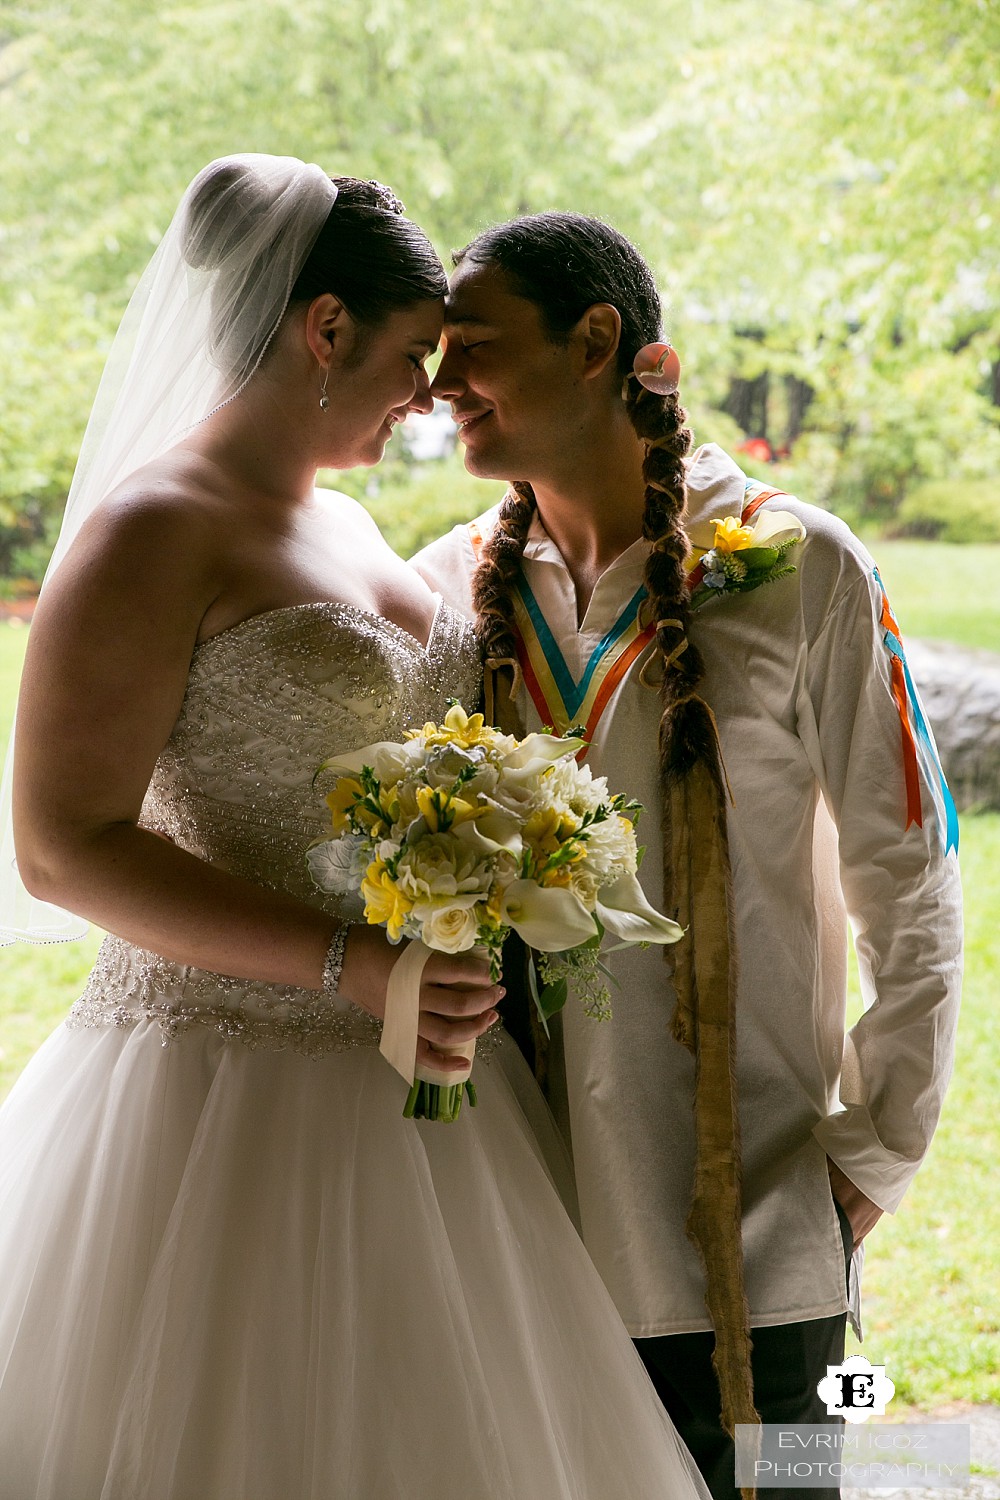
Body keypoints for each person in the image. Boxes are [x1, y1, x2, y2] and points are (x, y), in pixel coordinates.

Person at [0, 161, 711, 1500]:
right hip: (215, 1099)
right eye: (407, 353)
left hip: (435, 1090)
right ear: (322, 330)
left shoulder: (351, 520)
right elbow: (64, 845)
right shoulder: (149, 533)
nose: (431, 394)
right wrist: (358, 967)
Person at [411, 212, 964, 1500]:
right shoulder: (449, 584)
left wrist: (875, 1148)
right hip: (525, 1218)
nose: (439, 390)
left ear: (598, 342)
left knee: (801, 1482)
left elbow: (914, 872)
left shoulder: (803, 563)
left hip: (768, 1236)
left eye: (474, 349)